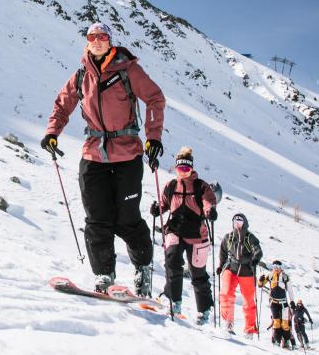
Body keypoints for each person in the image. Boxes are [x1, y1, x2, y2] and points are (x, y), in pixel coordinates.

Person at [42, 23, 166, 295]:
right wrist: (52, 132)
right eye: (92, 37)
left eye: (102, 37)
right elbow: (62, 105)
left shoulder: (128, 70)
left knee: (126, 219)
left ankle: (143, 270)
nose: (97, 41)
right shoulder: (80, 76)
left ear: (110, 41)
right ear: (87, 43)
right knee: (96, 219)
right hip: (94, 154)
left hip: (127, 154)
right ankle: (104, 276)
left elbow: (155, 98)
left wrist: (153, 137)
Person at [150, 147, 218, 323]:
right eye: (180, 169)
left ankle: (204, 310)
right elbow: (164, 203)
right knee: (172, 260)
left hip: (196, 233)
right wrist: (158, 209)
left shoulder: (200, 186)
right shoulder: (171, 186)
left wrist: (210, 211)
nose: (183, 173)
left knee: (197, 273)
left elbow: (208, 201)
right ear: (176, 168)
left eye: (186, 169)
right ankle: (174, 300)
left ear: (191, 168)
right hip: (175, 230)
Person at [216, 213, 263, 336]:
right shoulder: (229, 237)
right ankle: (228, 322)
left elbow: (258, 251)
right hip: (231, 268)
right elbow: (223, 252)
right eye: (235, 221)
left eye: (240, 222)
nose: (237, 224)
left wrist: (254, 260)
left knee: (248, 300)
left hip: (246, 271)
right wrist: (221, 267)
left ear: (244, 223)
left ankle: (250, 329)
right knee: (226, 293)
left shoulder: (250, 238)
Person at [258, 260, 291, 347]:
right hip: (274, 303)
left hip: (284, 303)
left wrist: (292, 302)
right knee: (276, 322)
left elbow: (290, 291)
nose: (276, 268)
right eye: (274, 266)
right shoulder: (270, 275)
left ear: (281, 267)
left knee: (284, 324)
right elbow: (260, 285)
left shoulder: (285, 277)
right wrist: (260, 280)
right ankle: (277, 341)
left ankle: (287, 341)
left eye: (277, 267)